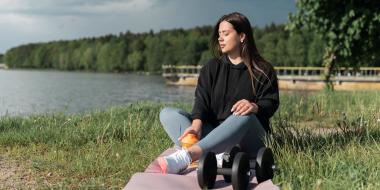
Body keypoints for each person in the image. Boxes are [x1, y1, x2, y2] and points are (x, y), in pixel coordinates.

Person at [158, 12, 279, 174]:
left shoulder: (263, 69)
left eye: (226, 34)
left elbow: (271, 103)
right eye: (219, 34)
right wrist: (195, 125)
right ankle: (215, 154)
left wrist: (254, 106)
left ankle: (189, 155)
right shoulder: (211, 67)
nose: (220, 38)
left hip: (249, 139)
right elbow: (201, 101)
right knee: (168, 114)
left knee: (244, 114)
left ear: (242, 36)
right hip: (214, 134)